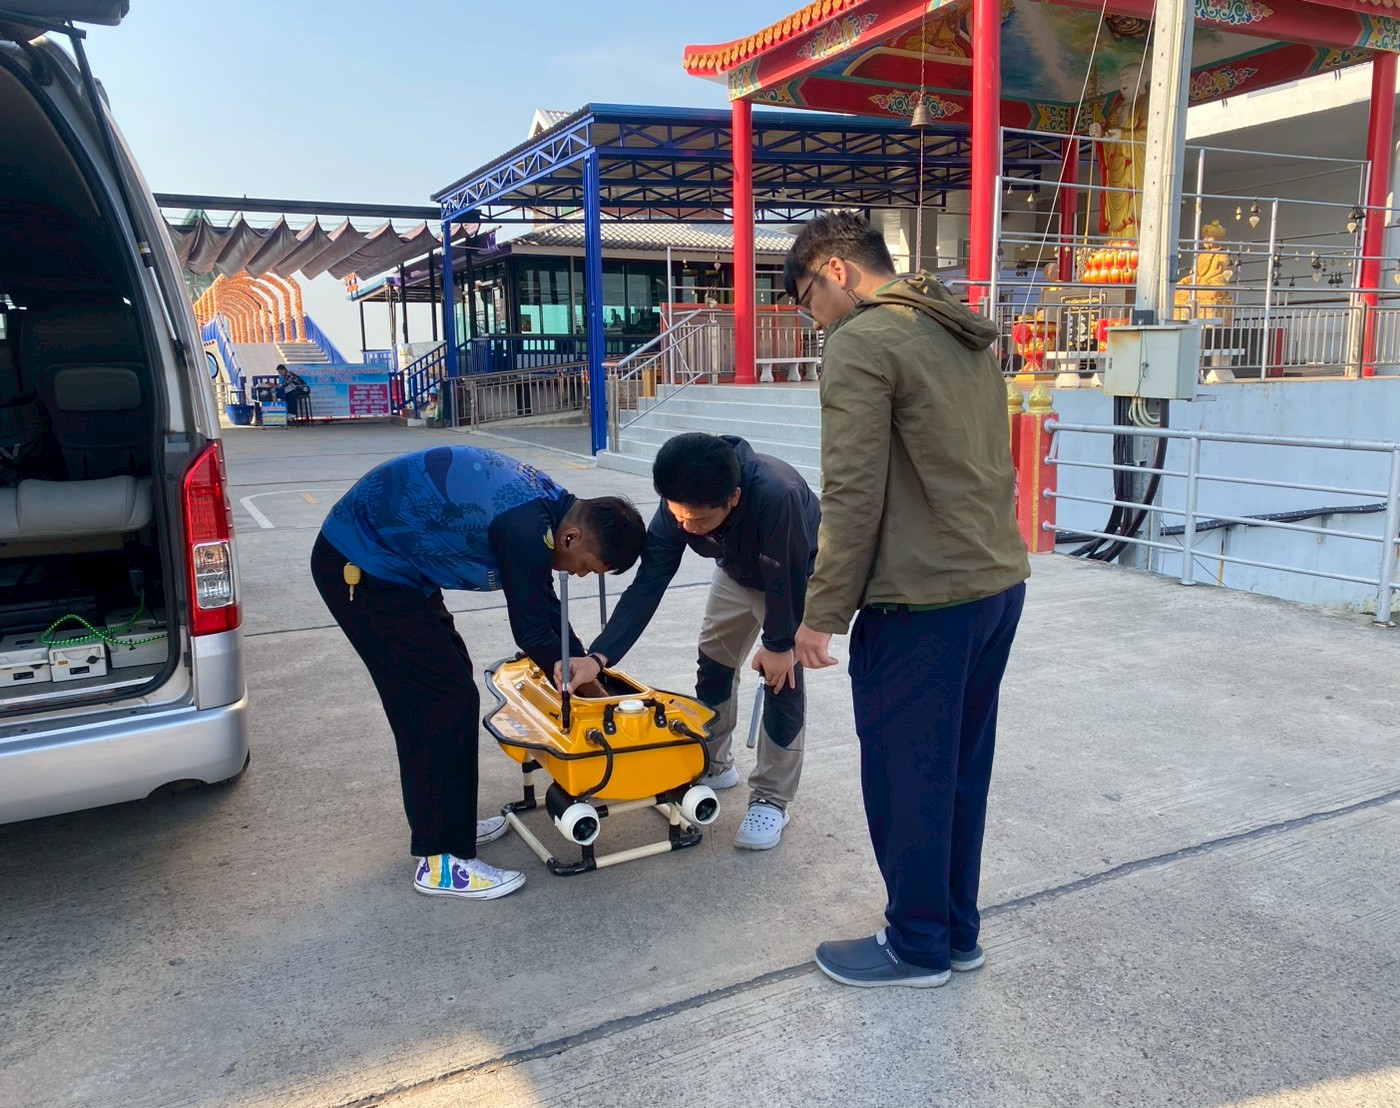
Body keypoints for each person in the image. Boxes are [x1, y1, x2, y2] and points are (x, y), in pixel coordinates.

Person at [784, 212, 1030, 988]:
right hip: (994, 582)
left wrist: (822, 613)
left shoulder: (862, 340)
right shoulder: (957, 330)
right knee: (957, 772)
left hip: (921, 599)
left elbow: (851, 490)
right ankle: (955, 932)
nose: (811, 318)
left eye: (806, 298)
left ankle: (917, 945)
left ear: (835, 270)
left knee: (906, 778)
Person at [312, 445, 644, 901]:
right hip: (362, 566)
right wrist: (585, 688)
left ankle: (451, 823)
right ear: (571, 538)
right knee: (438, 702)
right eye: (587, 567)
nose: (582, 576)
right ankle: (441, 861)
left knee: (450, 684)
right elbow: (532, 630)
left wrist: (586, 667)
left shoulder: (549, 511)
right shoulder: (526, 527)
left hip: (397, 568)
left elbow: (544, 605)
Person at [558, 432, 820, 851]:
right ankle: (712, 762)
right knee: (714, 663)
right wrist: (599, 656)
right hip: (736, 573)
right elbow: (649, 582)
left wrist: (779, 644)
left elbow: (784, 576)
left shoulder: (778, 494)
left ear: (734, 498)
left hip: (792, 576)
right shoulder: (679, 503)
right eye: (678, 515)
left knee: (780, 680)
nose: (686, 526)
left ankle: (772, 798)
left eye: (697, 521)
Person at [1089, 62, 1150, 238]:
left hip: (1134, 168)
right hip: (1116, 167)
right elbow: (1109, 138)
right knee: (1115, 207)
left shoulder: (1147, 103)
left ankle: (1136, 239)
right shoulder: (1116, 107)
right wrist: (1100, 134)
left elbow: (1152, 135)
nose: (1123, 82)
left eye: (1128, 78)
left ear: (1142, 79)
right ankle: (1116, 239)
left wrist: (1123, 135)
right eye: (1121, 79)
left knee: (1134, 205)